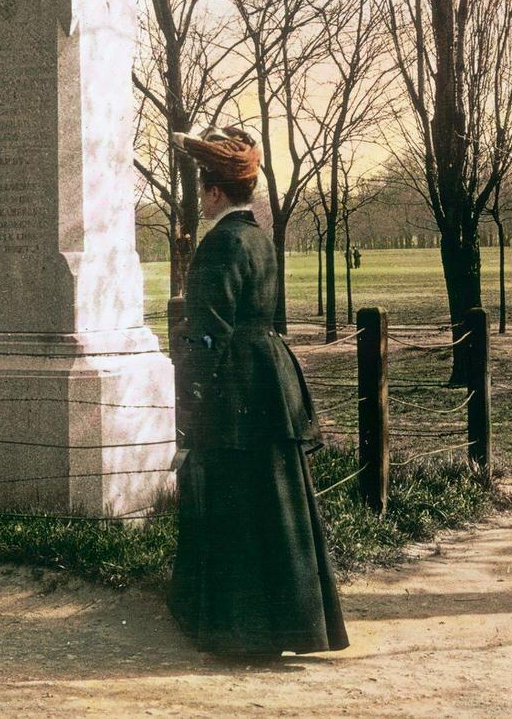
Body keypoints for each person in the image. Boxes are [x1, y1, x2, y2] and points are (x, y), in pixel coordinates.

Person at [167, 125, 348, 658]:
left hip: (235, 389)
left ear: (216, 192)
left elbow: (208, 334)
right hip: (270, 380)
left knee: (237, 502)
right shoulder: (259, 238)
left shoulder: (219, 245)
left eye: (203, 190)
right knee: (277, 502)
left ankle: (241, 633)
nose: (200, 200)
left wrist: (187, 391)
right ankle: (293, 625)